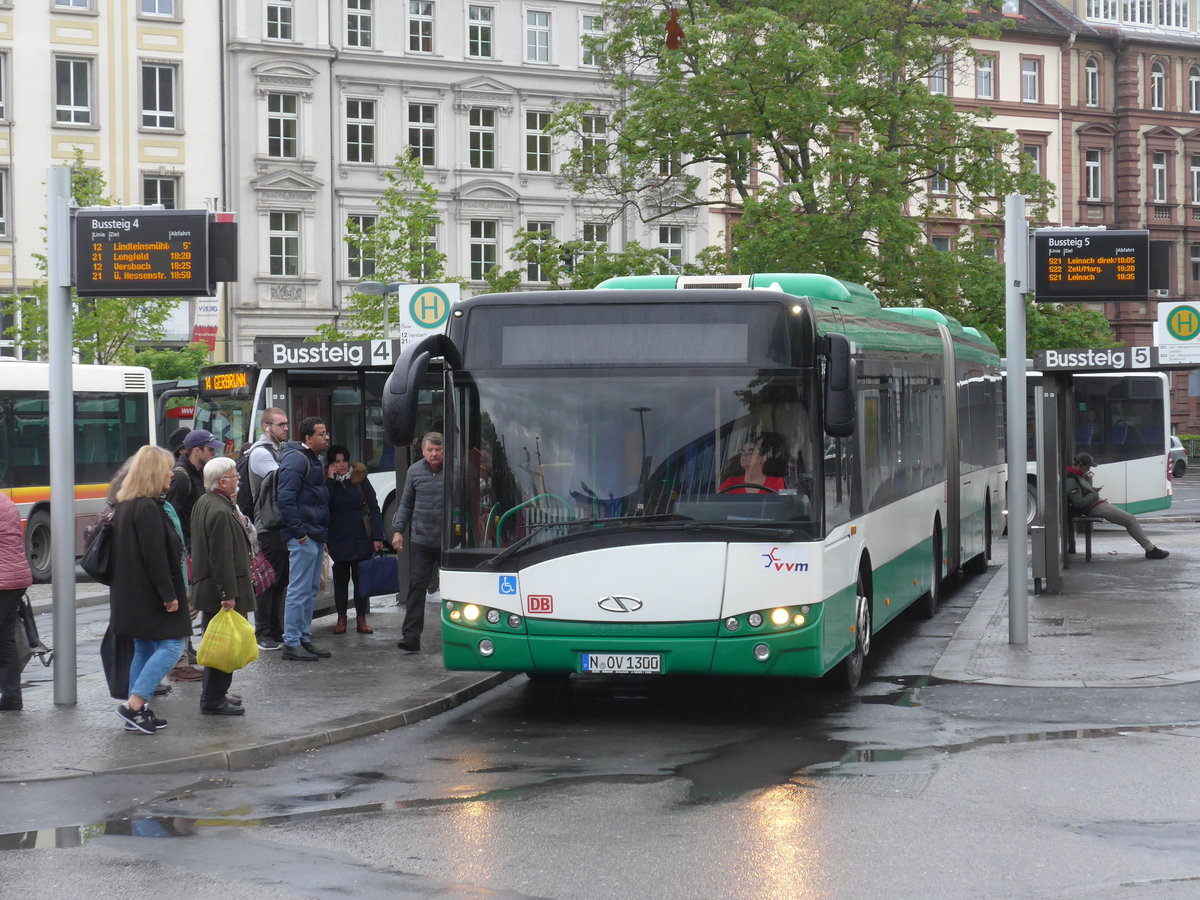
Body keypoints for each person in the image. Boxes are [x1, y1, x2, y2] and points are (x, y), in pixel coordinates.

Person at [107, 445, 192, 735]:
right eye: (167, 468)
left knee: (144, 646)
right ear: (154, 473)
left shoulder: (127, 504)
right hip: (151, 594)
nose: (171, 473)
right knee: (172, 645)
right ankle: (134, 704)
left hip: (131, 594)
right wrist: (169, 596)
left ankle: (138, 713)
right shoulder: (146, 508)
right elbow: (155, 557)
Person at [190, 456, 253, 716]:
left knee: (217, 643)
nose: (238, 479)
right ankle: (213, 700)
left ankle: (214, 694)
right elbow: (221, 557)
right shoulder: (218, 510)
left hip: (210, 588)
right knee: (223, 646)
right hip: (223, 591)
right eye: (235, 476)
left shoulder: (207, 502)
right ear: (222, 482)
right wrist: (228, 595)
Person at [166, 428, 223, 682]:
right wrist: (183, 552)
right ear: (196, 451)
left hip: (196, 550)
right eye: (210, 449)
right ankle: (178, 664)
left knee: (193, 606)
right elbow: (172, 517)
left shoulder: (197, 473)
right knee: (187, 608)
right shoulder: (181, 478)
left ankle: (184, 655)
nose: (214, 453)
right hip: (187, 552)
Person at [277, 416, 332, 661]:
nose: (326, 437)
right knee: (299, 590)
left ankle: (303, 637)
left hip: (314, 534)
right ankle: (291, 642)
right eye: (321, 434)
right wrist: (299, 534)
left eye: (326, 433)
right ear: (308, 438)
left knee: (309, 590)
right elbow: (285, 499)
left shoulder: (310, 459)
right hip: (304, 536)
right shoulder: (297, 460)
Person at [391, 432, 445, 653]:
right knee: (416, 588)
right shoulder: (414, 471)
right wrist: (398, 531)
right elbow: (405, 504)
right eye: (430, 450)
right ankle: (411, 637)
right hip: (421, 541)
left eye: (438, 450)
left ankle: (461, 635)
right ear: (422, 451)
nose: (434, 454)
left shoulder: (454, 470)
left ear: (444, 450)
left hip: (449, 542)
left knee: (456, 592)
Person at [325, 445, 384, 635]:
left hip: (360, 537)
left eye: (343, 461)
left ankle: (361, 618)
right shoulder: (329, 483)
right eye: (336, 461)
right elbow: (325, 506)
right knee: (341, 581)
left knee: (361, 579)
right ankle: (341, 618)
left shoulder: (360, 479)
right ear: (331, 464)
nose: (341, 465)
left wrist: (377, 536)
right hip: (338, 538)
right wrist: (331, 481)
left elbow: (374, 508)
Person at [1066, 452, 1169, 559]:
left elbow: (1083, 494)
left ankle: (1150, 549)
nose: (1088, 470)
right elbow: (1079, 503)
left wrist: (1092, 491)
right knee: (1130, 520)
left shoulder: (1077, 476)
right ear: (1081, 465)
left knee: (1129, 519)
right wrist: (1093, 493)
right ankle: (1151, 550)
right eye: (1088, 467)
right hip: (1095, 507)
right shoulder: (1071, 479)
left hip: (1098, 504)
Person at [246, 407, 291, 650]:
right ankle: (262, 632)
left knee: (280, 580)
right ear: (267, 427)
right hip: (267, 526)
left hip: (278, 524)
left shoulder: (279, 450)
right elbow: (285, 479)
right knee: (268, 581)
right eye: (280, 424)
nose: (285, 428)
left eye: (286, 424)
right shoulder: (261, 453)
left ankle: (275, 630)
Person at [0, 492, 34, 711]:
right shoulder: (6, 501)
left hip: (3, 580)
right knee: (5, 639)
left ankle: (12, 697)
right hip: (15, 578)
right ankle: (12, 698)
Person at [719, 433, 787, 493]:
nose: (743, 454)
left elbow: (787, 503)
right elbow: (717, 501)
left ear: (763, 458)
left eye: (749, 451)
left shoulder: (777, 483)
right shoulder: (730, 483)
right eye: (742, 451)